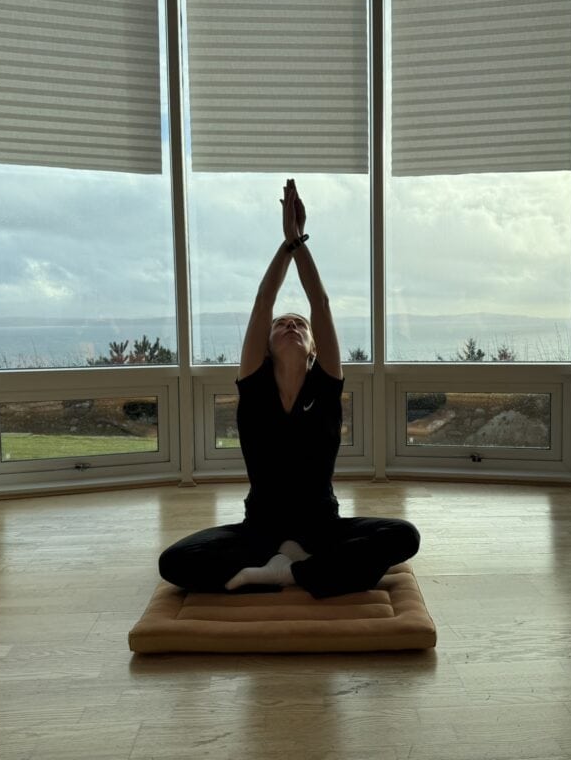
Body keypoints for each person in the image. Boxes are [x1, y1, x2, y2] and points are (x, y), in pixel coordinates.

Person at [158, 179, 420, 598]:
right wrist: (285, 246)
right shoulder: (254, 384)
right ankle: (315, 572)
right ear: (266, 344)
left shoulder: (327, 385)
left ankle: (286, 573)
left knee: (404, 535)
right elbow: (263, 301)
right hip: (259, 529)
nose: (290, 325)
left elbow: (321, 304)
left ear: (314, 347)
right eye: (282, 324)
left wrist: (300, 241)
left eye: (299, 325)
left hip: (321, 528)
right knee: (173, 562)